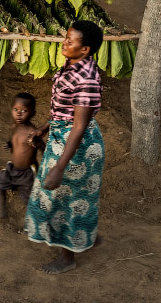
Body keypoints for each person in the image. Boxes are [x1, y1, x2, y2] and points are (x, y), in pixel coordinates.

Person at [25, 20, 105, 274]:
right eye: (66, 38)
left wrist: (60, 166)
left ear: (85, 50)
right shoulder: (73, 66)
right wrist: (43, 129)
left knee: (64, 201)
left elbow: (79, 127)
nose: (64, 43)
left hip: (77, 149)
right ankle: (84, 240)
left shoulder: (88, 79)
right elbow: (63, 112)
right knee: (75, 199)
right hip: (63, 139)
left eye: (71, 41)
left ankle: (67, 257)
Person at [0, 93, 42, 221]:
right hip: (12, 168)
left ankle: (32, 223)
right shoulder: (14, 126)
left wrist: (42, 170)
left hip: (26, 173)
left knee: (27, 199)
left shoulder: (32, 133)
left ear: (32, 113)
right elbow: (14, 140)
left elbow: (42, 149)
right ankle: (2, 212)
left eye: (24, 111)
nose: (19, 113)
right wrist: (9, 144)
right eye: (16, 110)